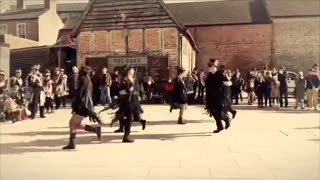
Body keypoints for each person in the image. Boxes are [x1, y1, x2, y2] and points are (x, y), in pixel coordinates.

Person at [62, 66, 102, 150]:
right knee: (77, 124)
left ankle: (71, 143)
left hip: (82, 106)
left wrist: (78, 105)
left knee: (72, 123)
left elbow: (81, 95)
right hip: (85, 106)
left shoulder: (83, 80)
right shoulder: (88, 80)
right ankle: (95, 129)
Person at [116, 64, 145, 142]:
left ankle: (142, 122)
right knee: (129, 118)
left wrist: (139, 94)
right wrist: (128, 90)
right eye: (132, 69)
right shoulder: (124, 80)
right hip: (127, 102)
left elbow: (138, 89)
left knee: (137, 116)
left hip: (134, 101)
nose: (133, 71)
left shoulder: (134, 79)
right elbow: (120, 92)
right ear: (128, 71)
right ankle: (125, 137)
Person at [205, 59, 232, 133]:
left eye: (210, 66)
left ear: (215, 66)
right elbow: (207, 86)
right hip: (211, 97)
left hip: (219, 97)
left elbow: (229, 83)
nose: (208, 67)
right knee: (213, 112)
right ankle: (219, 126)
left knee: (219, 113)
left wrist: (225, 84)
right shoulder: (209, 75)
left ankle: (226, 119)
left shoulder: (220, 74)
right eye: (208, 66)